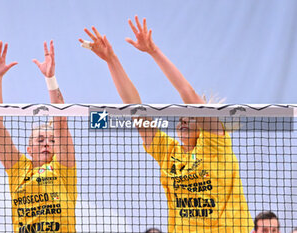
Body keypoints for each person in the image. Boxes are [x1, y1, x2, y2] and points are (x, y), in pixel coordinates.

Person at [79, 16, 253, 233]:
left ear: (202, 124)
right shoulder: (168, 152)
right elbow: (134, 107)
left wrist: (154, 52)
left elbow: (188, 94)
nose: (182, 119)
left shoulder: (215, 146)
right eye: (181, 117)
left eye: (190, 116)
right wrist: (111, 60)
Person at [0, 41, 76, 232]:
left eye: (52, 140)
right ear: (29, 150)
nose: (47, 143)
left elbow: (60, 123)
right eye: (40, 140)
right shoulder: (18, 170)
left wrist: (50, 79)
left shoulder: (64, 169)